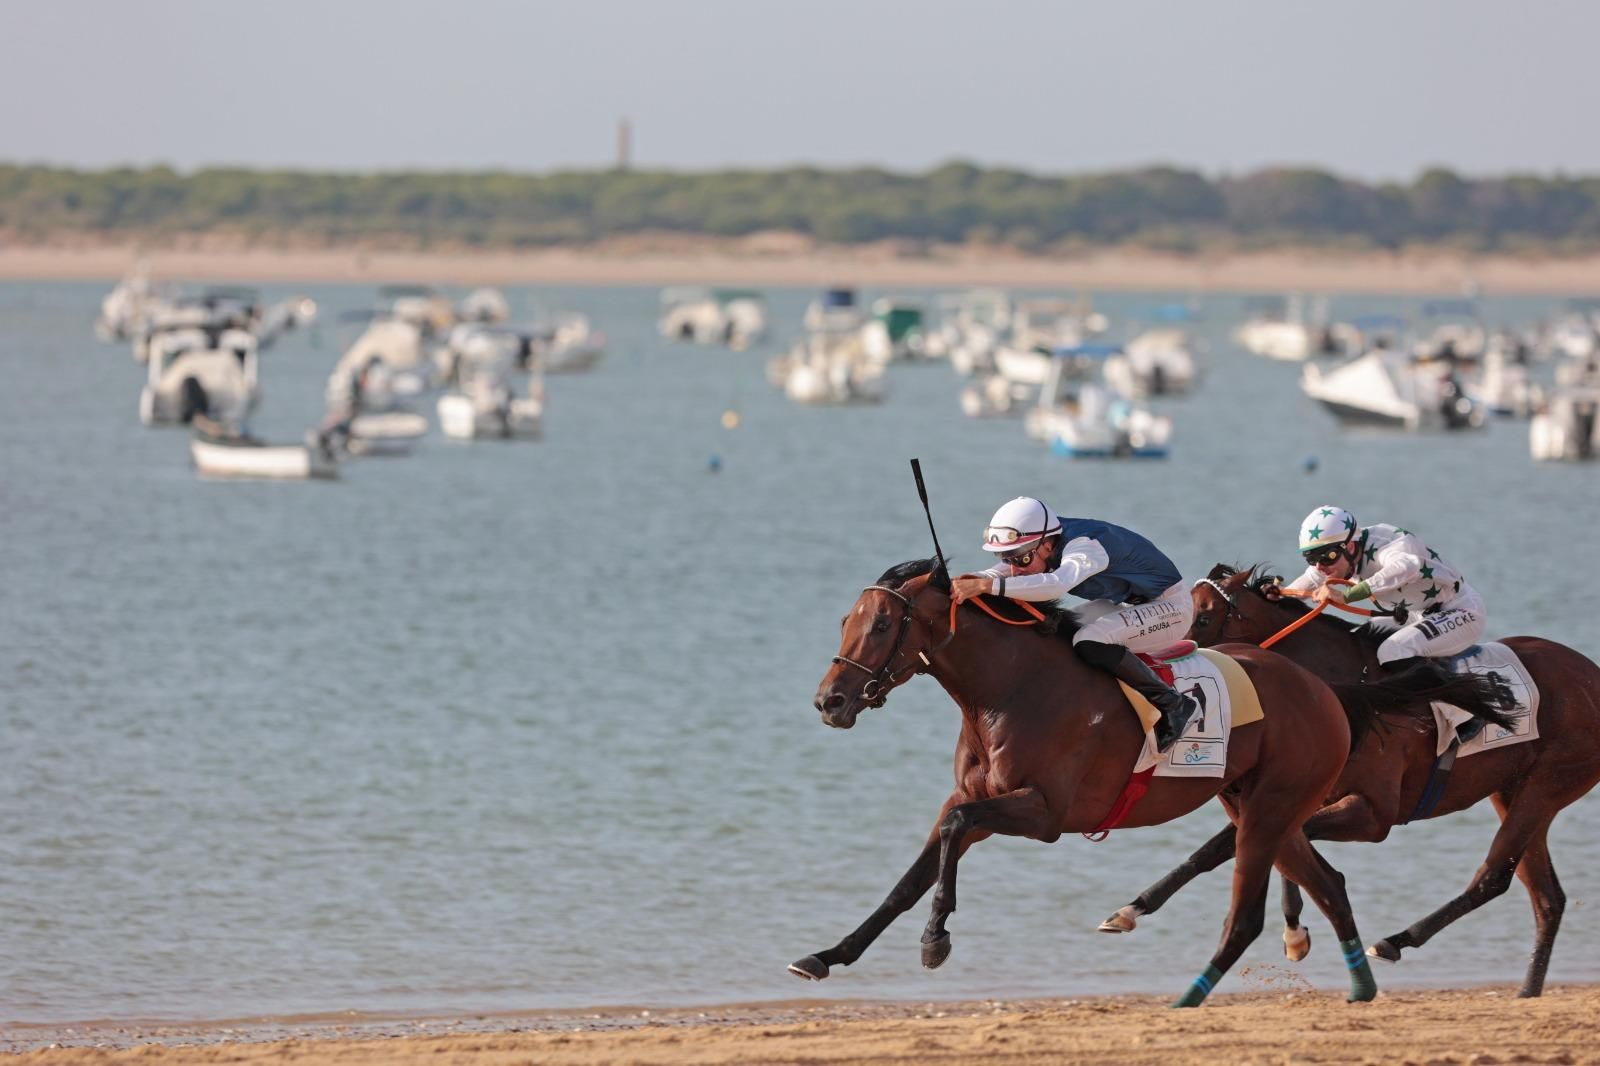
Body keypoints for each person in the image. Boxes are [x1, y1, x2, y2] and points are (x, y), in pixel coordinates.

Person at [951, 497, 1199, 753]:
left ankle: (1173, 703)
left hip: (1171, 608)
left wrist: (986, 586)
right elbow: (999, 572)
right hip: (1127, 604)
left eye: (1021, 560)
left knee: (1089, 640)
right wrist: (971, 579)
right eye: (1007, 558)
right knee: (1056, 630)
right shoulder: (1042, 540)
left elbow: (1056, 584)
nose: (1014, 569)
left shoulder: (1085, 547)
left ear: (1047, 545)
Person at [1265, 505, 1486, 671]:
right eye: (1311, 558)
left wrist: (1350, 595)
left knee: (1393, 651)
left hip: (1459, 611)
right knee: (1356, 643)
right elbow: (1310, 579)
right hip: (1414, 615)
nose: (1320, 566)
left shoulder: (1389, 543)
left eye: (1327, 557)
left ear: (1350, 546)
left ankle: (1458, 712)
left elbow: (1408, 567)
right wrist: (1280, 596)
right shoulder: (1334, 562)